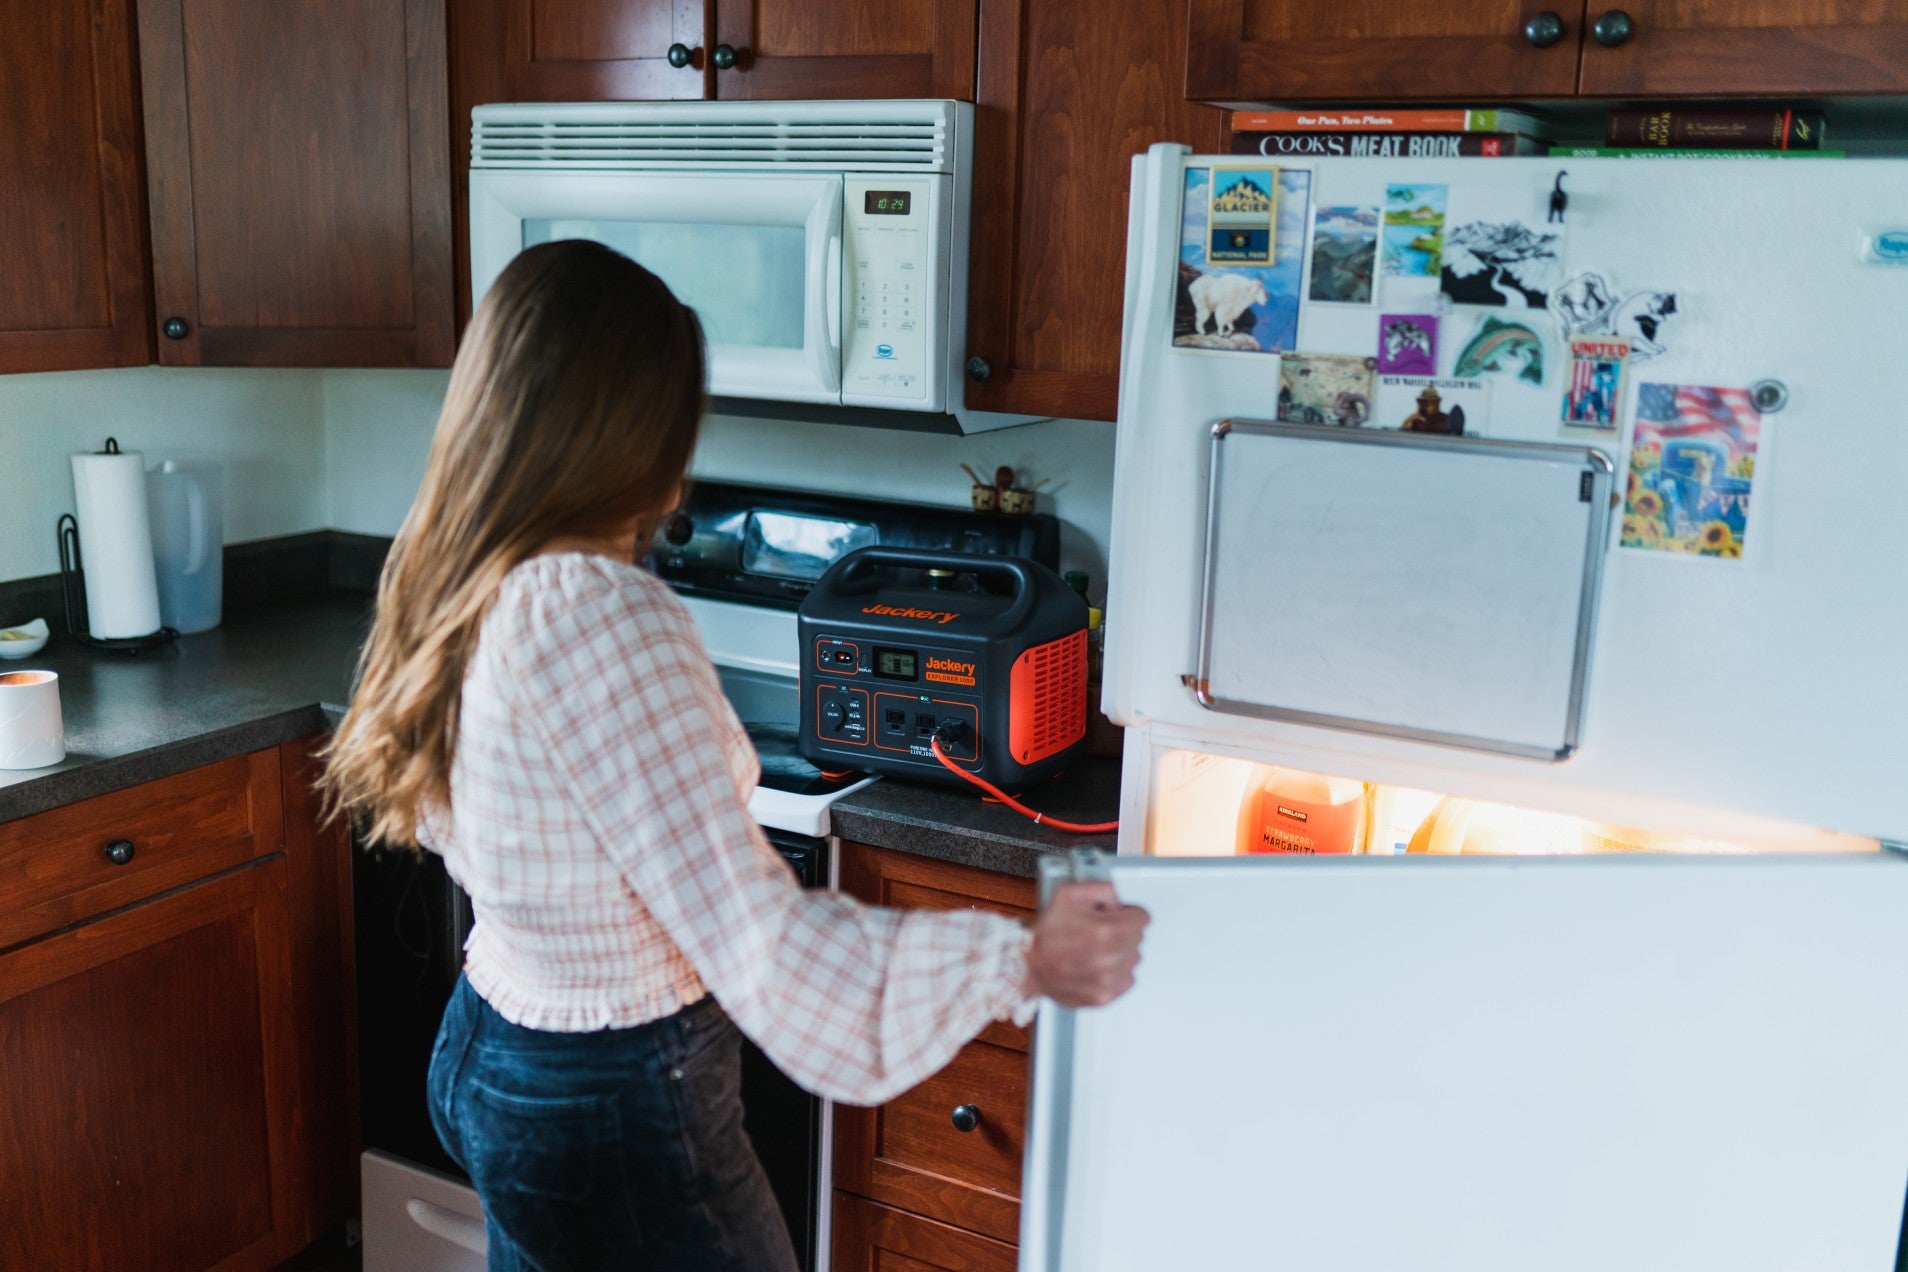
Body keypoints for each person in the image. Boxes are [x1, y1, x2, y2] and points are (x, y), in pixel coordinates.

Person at [322, 240, 1149, 1271]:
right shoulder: (598, 614)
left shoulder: (456, 570)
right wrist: (1020, 958)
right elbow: (762, 943)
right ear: (640, 431)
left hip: (493, 1043)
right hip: (613, 1096)